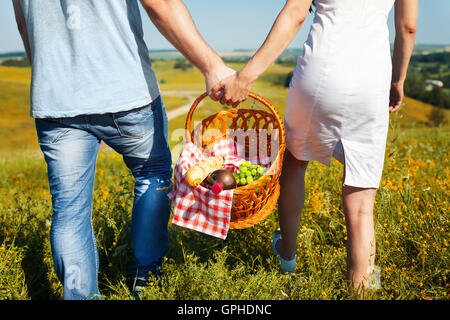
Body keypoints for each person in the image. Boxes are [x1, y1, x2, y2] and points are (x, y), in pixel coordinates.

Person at [13, 0, 235, 299]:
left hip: (56, 98)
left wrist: (52, 76)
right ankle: (145, 275)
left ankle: (80, 296)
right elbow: (161, 4)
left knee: (69, 211)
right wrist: (211, 65)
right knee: (153, 175)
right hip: (125, 91)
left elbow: (25, 24)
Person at [211, 0, 418, 293]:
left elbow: (295, 14)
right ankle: (362, 290)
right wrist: (398, 80)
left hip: (320, 74)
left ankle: (287, 254)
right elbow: (407, 28)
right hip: (372, 81)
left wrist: (245, 77)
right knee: (361, 205)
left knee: (295, 163)